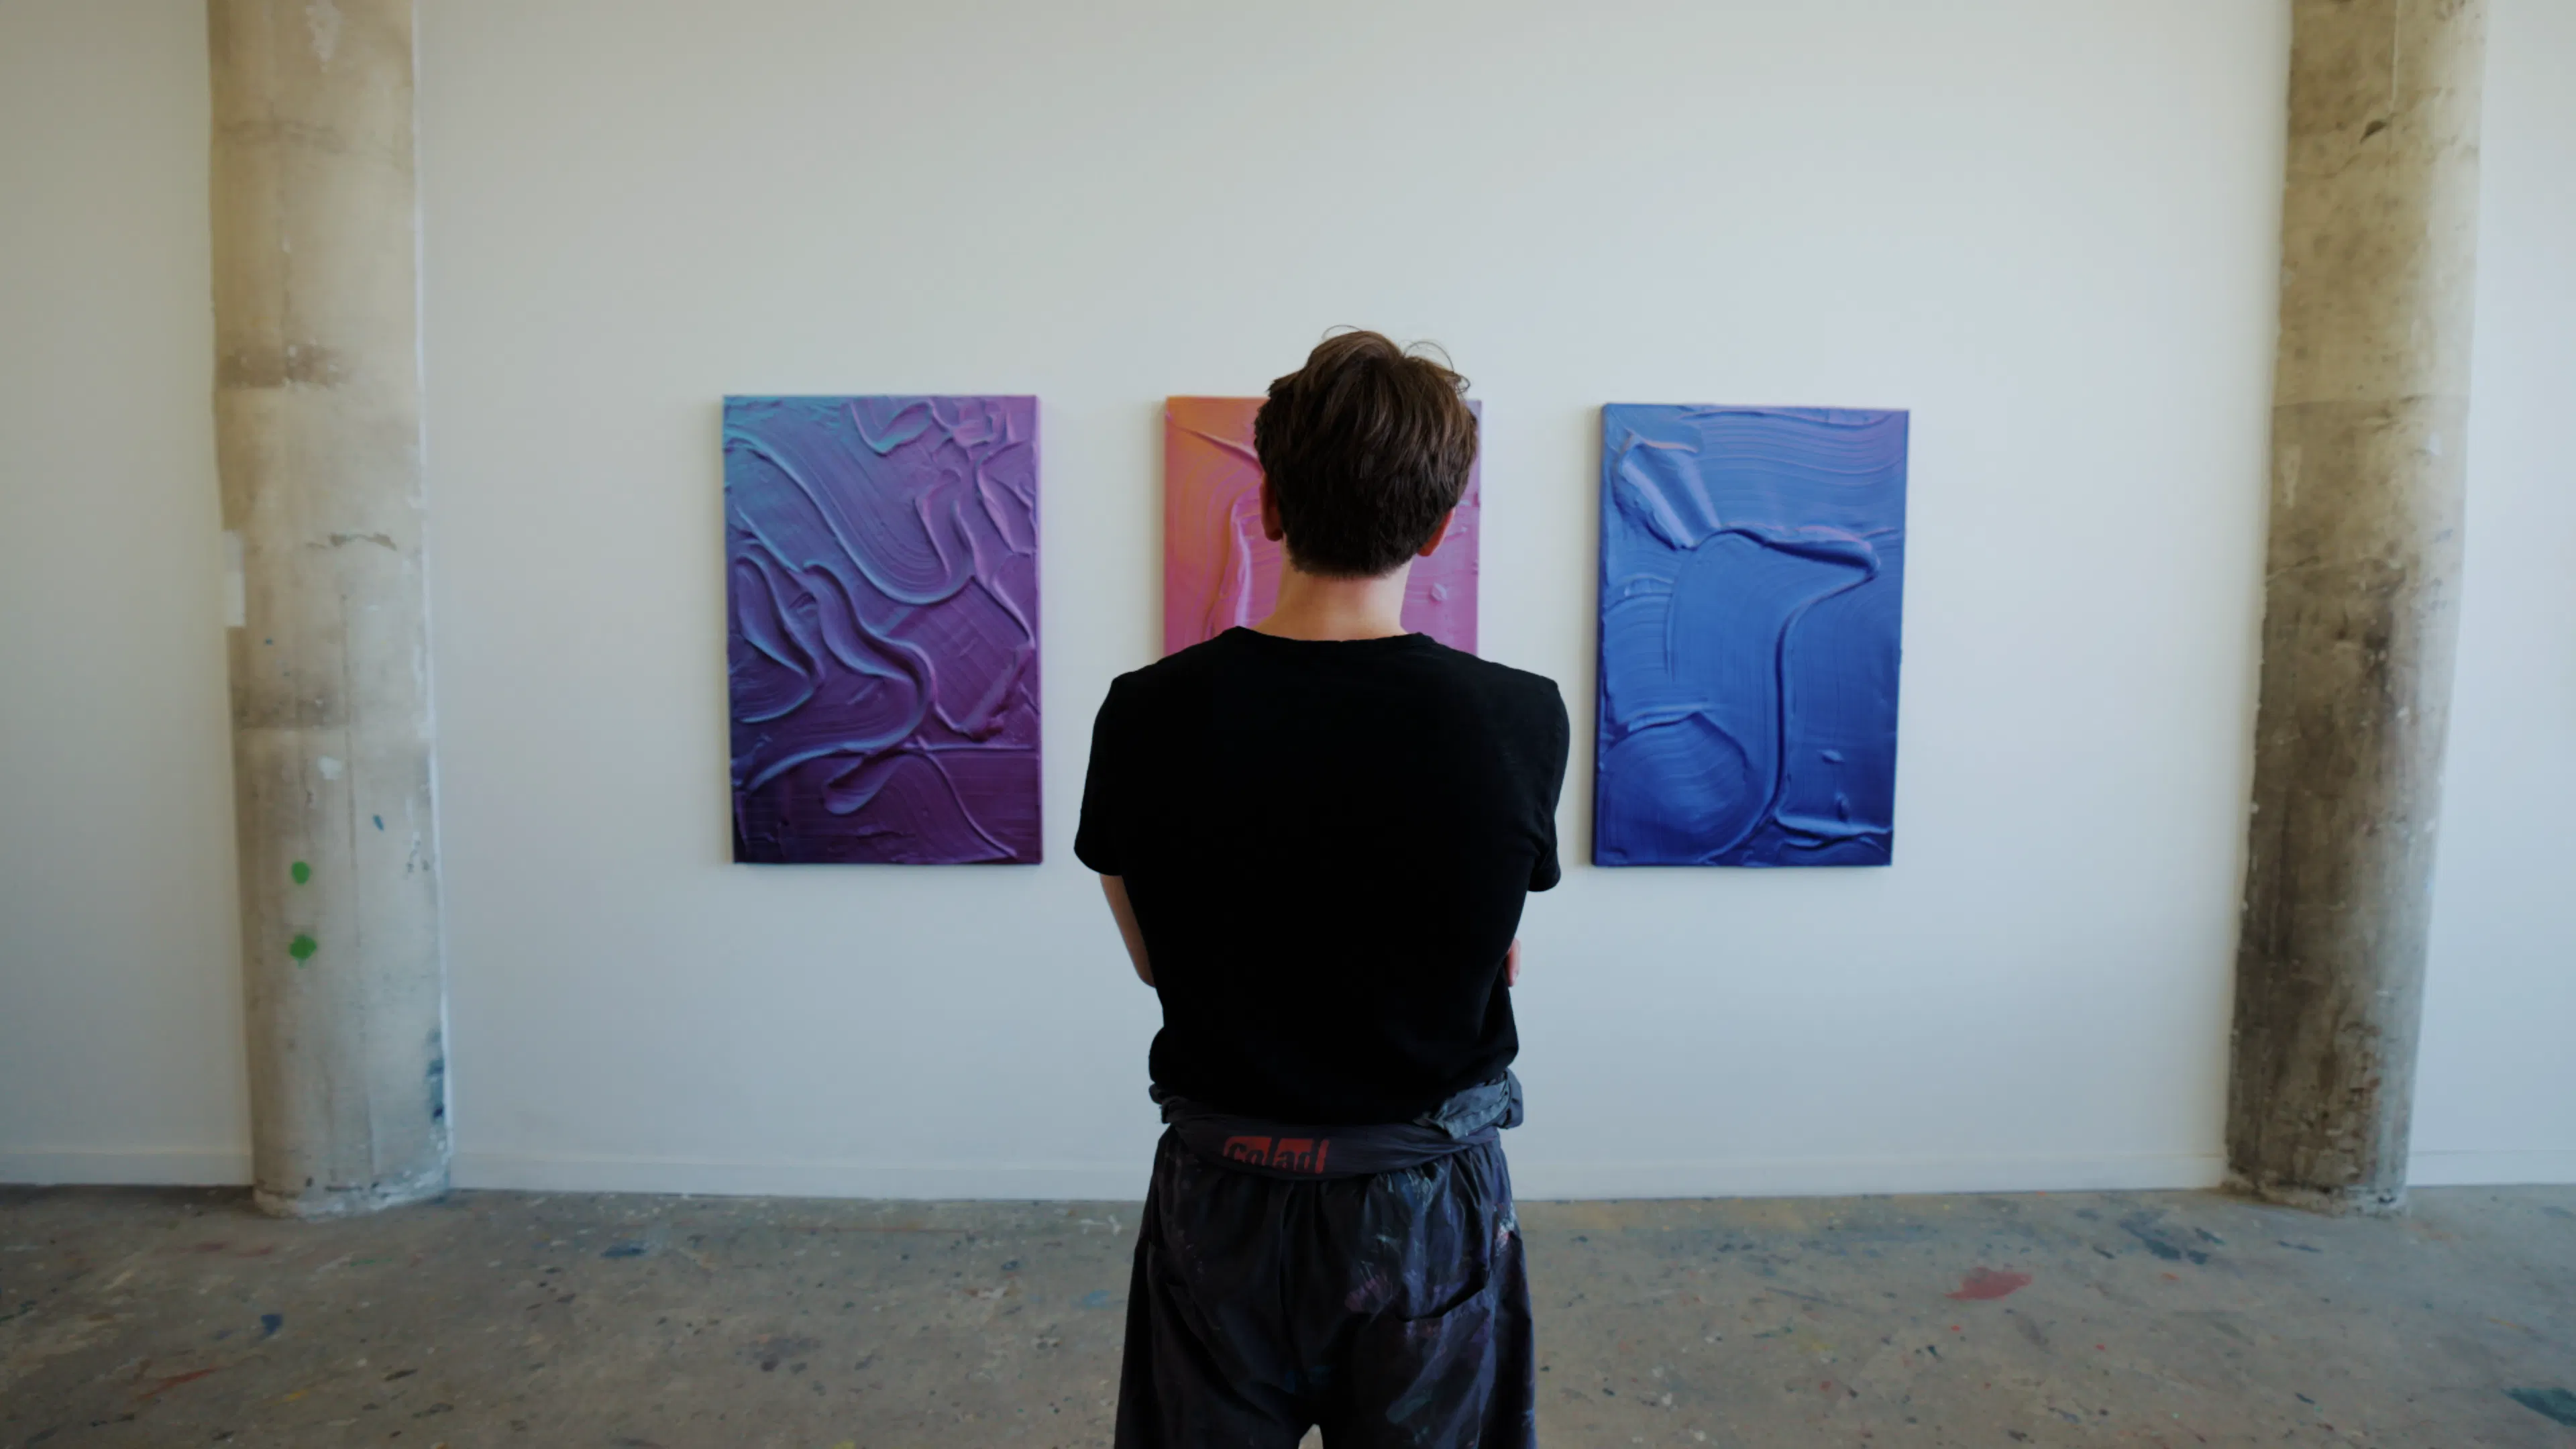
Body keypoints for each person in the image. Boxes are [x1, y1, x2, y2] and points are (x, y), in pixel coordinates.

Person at [1077, 330, 1570, 1448]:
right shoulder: (1520, 718)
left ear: (1271, 509)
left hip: (1227, 1197)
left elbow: (1157, 956)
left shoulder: (1146, 713)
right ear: (1440, 528)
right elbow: (1488, 948)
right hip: (1423, 1206)